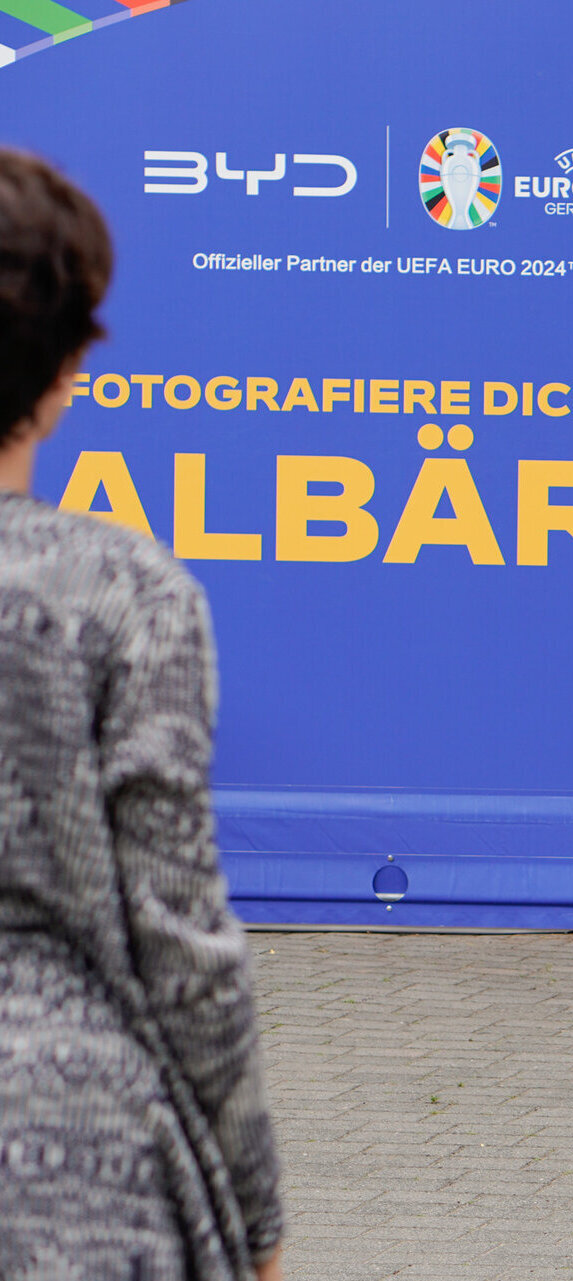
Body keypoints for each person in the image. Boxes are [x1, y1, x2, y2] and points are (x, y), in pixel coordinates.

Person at [0, 149, 284, 1280]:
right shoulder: (131, 597)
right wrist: (254, 1212)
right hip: (76, 1163)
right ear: (72, 364)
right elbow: (180, 931)